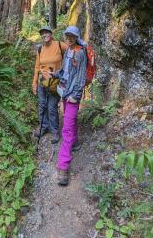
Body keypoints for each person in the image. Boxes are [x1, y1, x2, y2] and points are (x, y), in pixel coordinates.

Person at [50, 25, 87, 186]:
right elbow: (65, 71)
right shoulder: (68, 51)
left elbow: (81, 76)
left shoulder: (80, 53)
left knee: (66, 127)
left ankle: (63, 166)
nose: (69, 38)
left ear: (77, 37)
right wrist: (55, 74)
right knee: (70, 121)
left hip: (72, 95)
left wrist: (76, 95)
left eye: (72, 36)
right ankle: (76, 143)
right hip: (64, 92)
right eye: (67, 35)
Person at [32, 26, 67, 144]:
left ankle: (55, 131)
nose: (44, 35)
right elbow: (37, 67)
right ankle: (43, 127)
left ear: (51, 34)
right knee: (42, 105)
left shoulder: (59, 45)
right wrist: (34, 83)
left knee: (52, 107)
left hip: (55, 83)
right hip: (42, 82)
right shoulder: (40, 49)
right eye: (42, 33)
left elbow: (72, 52)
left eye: (46, 32)